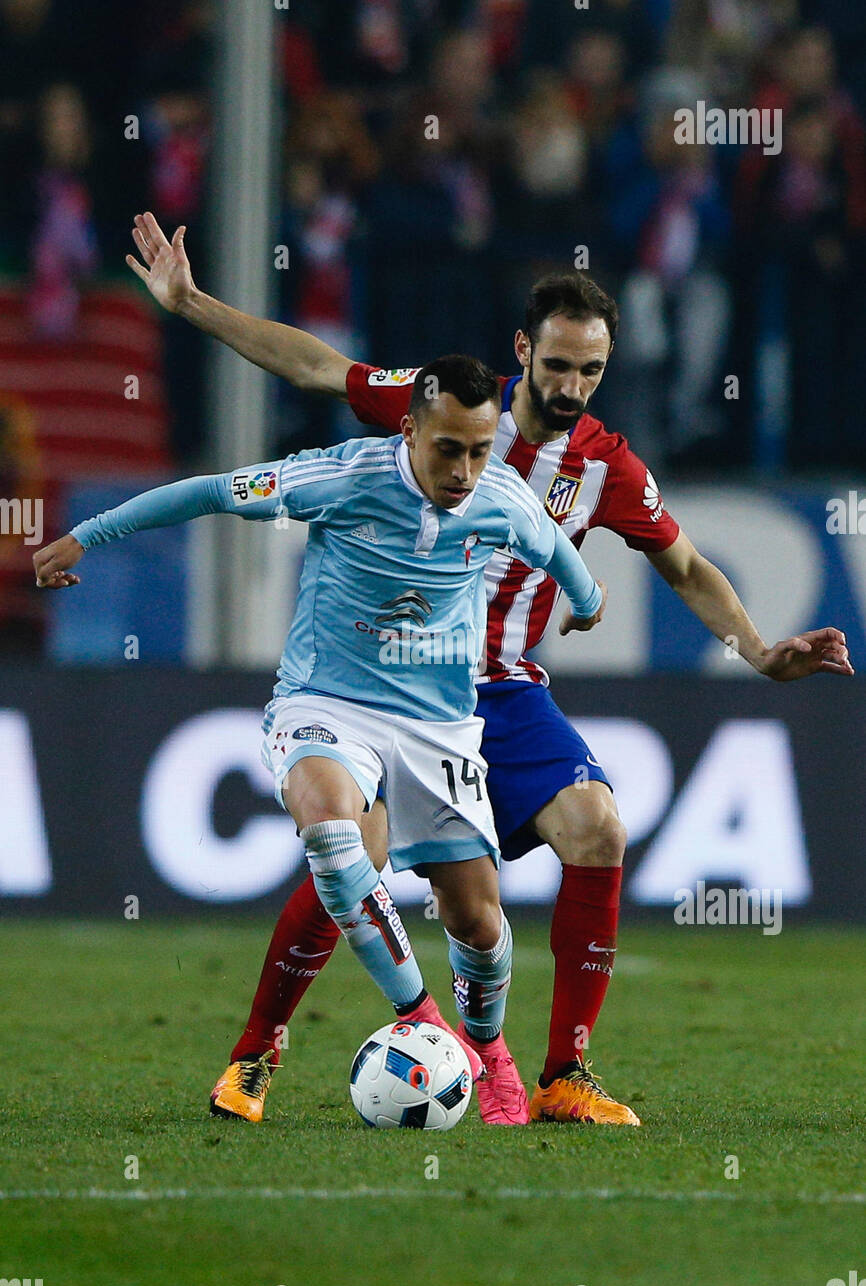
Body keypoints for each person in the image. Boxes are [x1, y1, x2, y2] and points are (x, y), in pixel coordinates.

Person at [125, 214, 854, 1127]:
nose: (572, 387)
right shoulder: (443, 406)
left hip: (500, 690)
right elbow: (314, 364)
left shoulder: (604, 466)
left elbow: (687, 566)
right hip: (381, 685)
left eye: (591, 371)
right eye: (557, 366)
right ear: (523, 351)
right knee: (359, 857)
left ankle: (564, 1076)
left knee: (597, 827)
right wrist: (191, 304)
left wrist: (756, 648)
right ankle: (256, 1050)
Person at [33, 354, 608, 1127]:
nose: (465, 469)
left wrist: (587, 600)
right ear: (409, 430)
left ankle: (491, 1050)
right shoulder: (341, 477)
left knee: (478, 922)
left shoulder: (501, 498)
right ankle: (396, 1025)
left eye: (479, 450)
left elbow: (558, 552)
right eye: (448, 449)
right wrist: (86, 536)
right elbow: (210, 492)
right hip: (327, 705)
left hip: (438, 727)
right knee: (337, 839)